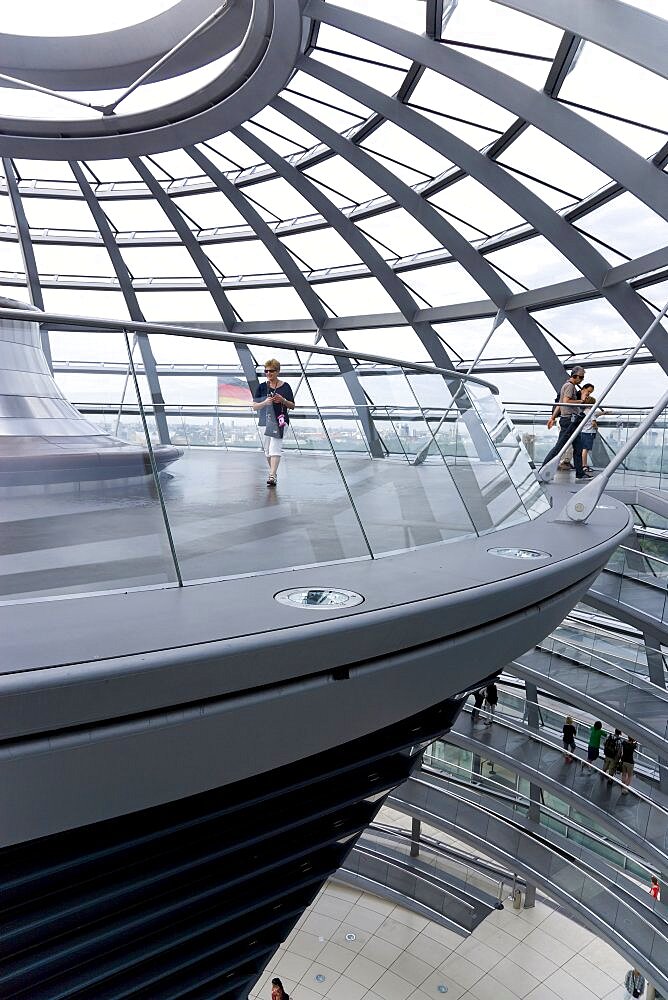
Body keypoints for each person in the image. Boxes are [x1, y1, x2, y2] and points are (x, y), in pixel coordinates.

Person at [252, 359, 295, 488]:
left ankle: (272, 475)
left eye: (271, 371)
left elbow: (292, 405)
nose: (268, 373)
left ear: (278, 371)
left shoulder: (285, 386)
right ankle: (273, 473)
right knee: (267, 450)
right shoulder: (261, 387)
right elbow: (254, 406)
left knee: (275, 447)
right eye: (266, 371)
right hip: (265, 421)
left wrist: (283, 400)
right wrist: (265, 402)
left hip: (280, 421)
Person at [540, 366, 586, 479]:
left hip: (569, 420)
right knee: (559, 447)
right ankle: (543, 469)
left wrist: (552, 418)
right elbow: (566, 402)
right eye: (581, 377)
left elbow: (560, 404)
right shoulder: (570, 386)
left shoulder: (565, 385)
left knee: (577, 447)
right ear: (575, 376)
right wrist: (582, 401)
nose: (582, 380)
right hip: (570, 420)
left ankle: (580, 473)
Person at [579, 383, 604, 473]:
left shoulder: (585, 411)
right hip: (589, 433)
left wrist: (603, 413)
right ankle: (584, 465)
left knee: (583, 449)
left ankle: (582, 465)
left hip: (583, 432)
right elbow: (593, 422)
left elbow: (595, 415)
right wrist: (597, 428)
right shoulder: (591, 411)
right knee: (585, 449)